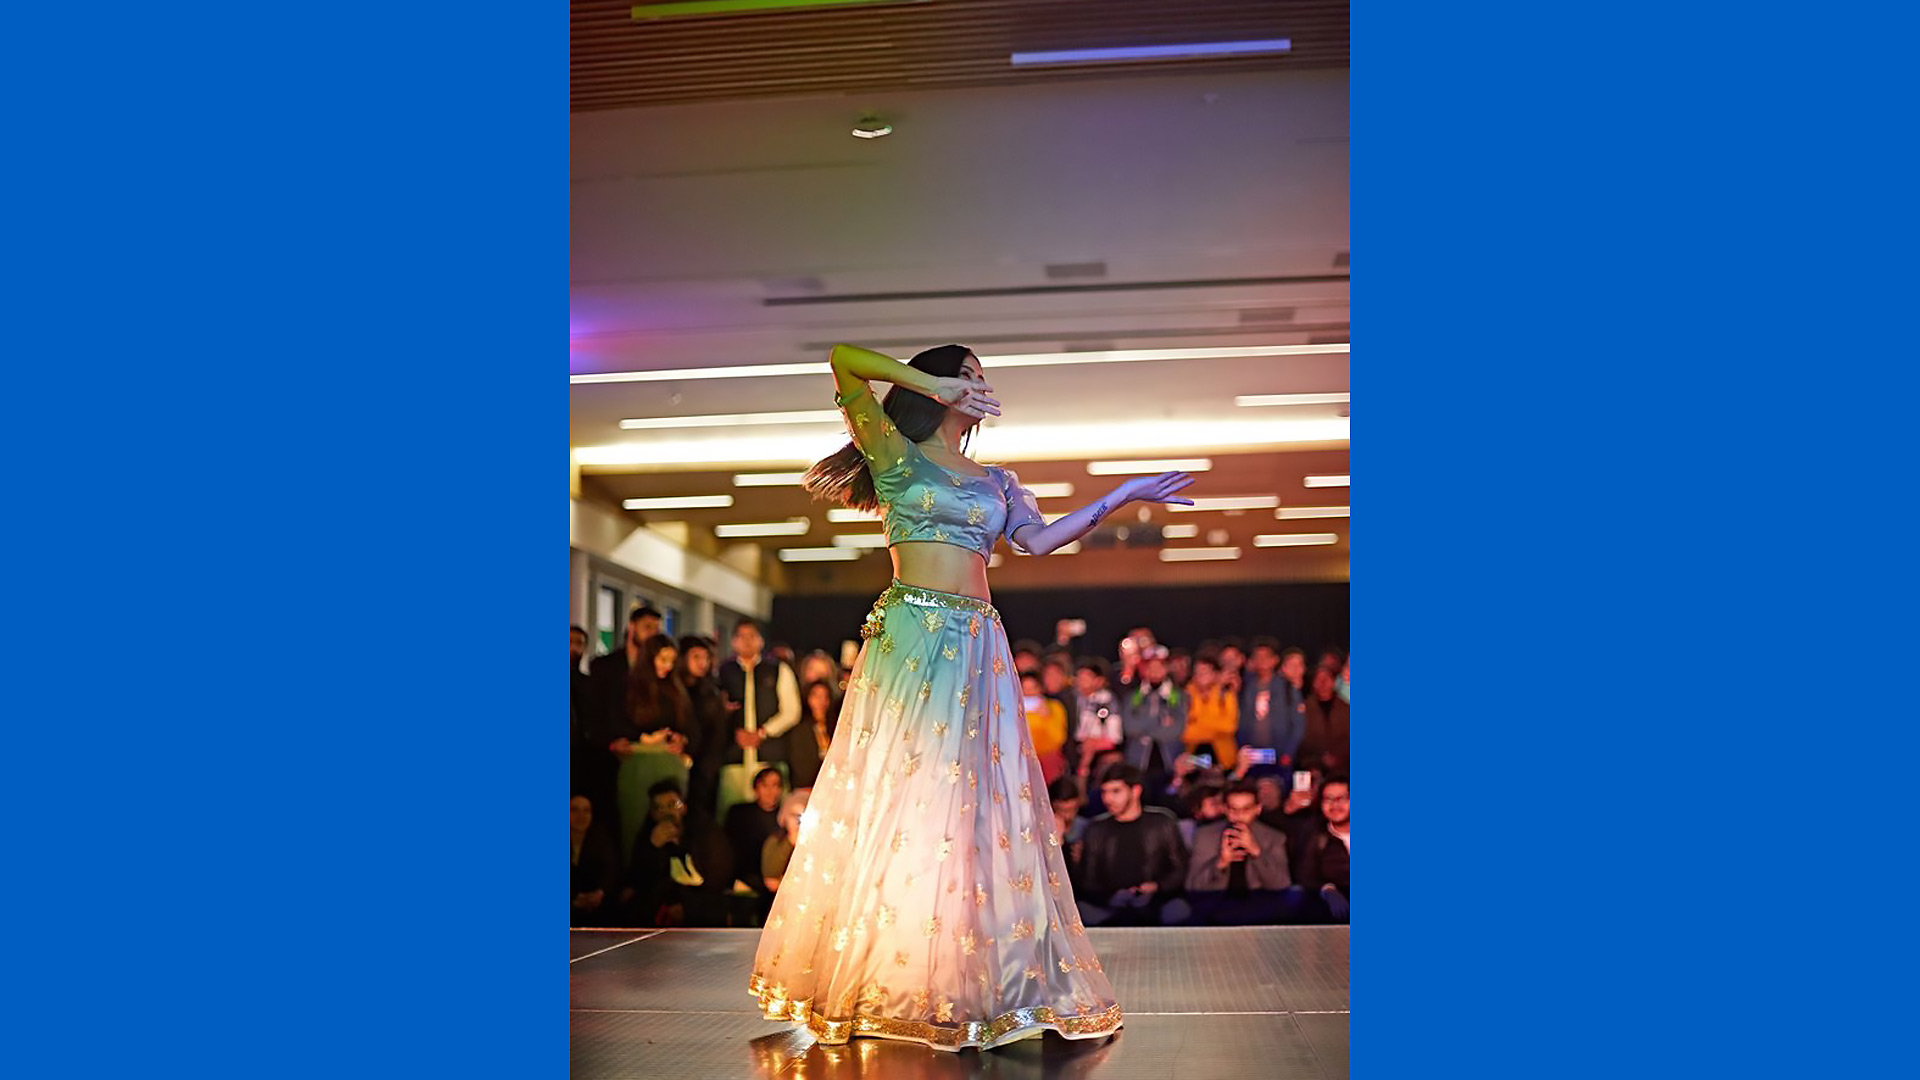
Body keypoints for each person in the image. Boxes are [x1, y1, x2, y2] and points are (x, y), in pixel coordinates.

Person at [747, 342, 1194, 1052]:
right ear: (938, 385)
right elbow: (842, 359)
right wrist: (929, 379)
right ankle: (886, 976)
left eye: (982, 377)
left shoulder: (999, 480)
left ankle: (968, 977)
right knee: (906, 796)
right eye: (969, 376)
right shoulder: (891, 449)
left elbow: (1040, 542)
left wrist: (1120, 496)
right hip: (912, 633)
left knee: (975, 804)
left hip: (980, 645)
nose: (982, 387)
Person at [606, 633, 695, 860]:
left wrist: (681, 739)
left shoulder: (676, 689)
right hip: (638, 761)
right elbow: (614, 722)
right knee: (634, 821)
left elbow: (689, 726)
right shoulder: (629, 685)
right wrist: (643, 738)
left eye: (672, 661)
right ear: (649, 658)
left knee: (673, 823)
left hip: (670, 763)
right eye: (662, 659)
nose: (667, 666)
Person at [1074, 764, 1189, 927]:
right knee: (1083, 911)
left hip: (1157, 902)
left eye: (1115, 791)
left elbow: (1180, 868)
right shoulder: (1095, 829)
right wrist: (1110, 897)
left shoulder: (1163, 822)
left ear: (1135, 791)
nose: (1107, 799)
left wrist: (1156, 887)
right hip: (1110, 906)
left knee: (1178, 910)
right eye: (1104, 792)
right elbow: (1088, 879)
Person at [716, 618, 802, 820]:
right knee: (734, 815)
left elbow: (792, 711)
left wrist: (763, 733)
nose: (746, 642)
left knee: (773, 816)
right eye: (741, 637)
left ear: (761, 641)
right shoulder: (723, 672)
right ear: (733, 641)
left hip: (769, 756)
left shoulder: (778, 669)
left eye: (752, 636)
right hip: (734, 757)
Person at [1184, 781, 1300, 926]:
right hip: (1217, 908)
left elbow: (1281, 885)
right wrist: (1220, 863)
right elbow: (1193, 887)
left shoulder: (1274, 837)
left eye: (1246, 809)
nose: (1239, 816)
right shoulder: (1205, 835)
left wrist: (1255, 851)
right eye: (1233, 809)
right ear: (1225, 809)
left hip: (1259, 911)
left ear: (1257, 809)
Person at [675, 635, 730, 825]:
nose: (702, 663)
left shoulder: (711, 693)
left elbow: (718, 736)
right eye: (696, 657)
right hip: (675, 762)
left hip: (703, 768)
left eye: (705, 658)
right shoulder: (672, 689)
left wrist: (709, 768)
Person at [1119, 645, 1187, 799]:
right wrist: (1160, 721)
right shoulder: (1134, 696)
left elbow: (1177, 729)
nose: (1155, 671)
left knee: (1169, 799)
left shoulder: (1178, 696)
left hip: (1170, 762)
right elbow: (1129, 727)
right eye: (1150, 666)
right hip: (1139, 763)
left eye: (1160, 666)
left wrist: (1144, 729)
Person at [1234, 637, 1305, 781]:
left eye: (1265, 657)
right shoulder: (1246, 687)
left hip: (1279, 754)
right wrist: (1241, 747)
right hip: (1251, 754)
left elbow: (1298, 725)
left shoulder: (1287, 688)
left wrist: (1288, 753)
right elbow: (1238, 719)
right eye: (1257, 657)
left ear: (1275, 660)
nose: (1261, 661)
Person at [1294, 776, 1350, 923]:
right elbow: (1305, 874)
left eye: (1342, 798)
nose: (1335, 805)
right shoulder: (1315, 835)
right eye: (1328, 799)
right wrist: (1328, 889)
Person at [1181, 653, 1239, 770]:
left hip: (1223, 758)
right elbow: (1186, 733)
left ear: (1216, 675)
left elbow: (1229, 726)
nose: (1200, 676)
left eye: (1205, 672)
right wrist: (1215, 728)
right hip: (1193, 756)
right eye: (1197, 672)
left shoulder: (1226, 694)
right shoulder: (1185, 696)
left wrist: (1198, 722)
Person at [1068, 658, 1121, 786]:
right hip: (1073, 747)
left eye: (1086, 678)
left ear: (1099, 681)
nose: (1080, 682)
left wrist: (1093, 743)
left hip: (1100, 748)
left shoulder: (1108, 701)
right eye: (1079, 677)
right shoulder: (1070, 699)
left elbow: (1114, 737)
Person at [570, 794, 618, 927]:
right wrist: (573, 898)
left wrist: (600, 893)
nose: (581, 816)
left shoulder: (602, 838)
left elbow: (611, 869)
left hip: (598, 905)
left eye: (586, 811)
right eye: (574, 810)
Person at [787, 679, 840, 790]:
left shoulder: (837, 726)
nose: (822, 701)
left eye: (825, 697)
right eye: (816, 696)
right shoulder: (800, 729)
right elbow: (800, 766)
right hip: (808, 787)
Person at [1299, 664, 1351, 775]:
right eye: (1319, 679)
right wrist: (1320, 757)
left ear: (1333, 682)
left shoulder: (1346, 709)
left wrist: (1338, 757)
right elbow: (1302, 738)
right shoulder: (1304, 709)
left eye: (1326, 678)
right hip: (1312, 765)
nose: (1323, 682)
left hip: (1343, 766)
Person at [1020, 670, 1070, 783]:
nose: (1028, 693)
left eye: (1032, 688)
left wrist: (1047, 717)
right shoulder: (1012, 709)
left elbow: (1059, 737)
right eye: (1024, 689)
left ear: (1040, 688)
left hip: (1047, 757)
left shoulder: (1054, 707)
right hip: (1022, 759)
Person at [762, 789, 809, 894]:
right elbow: (770, 877)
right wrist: (789, 843)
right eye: (794, 815)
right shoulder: (775, 840)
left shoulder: (815, 844)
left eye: (802, 816)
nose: (797, 822)